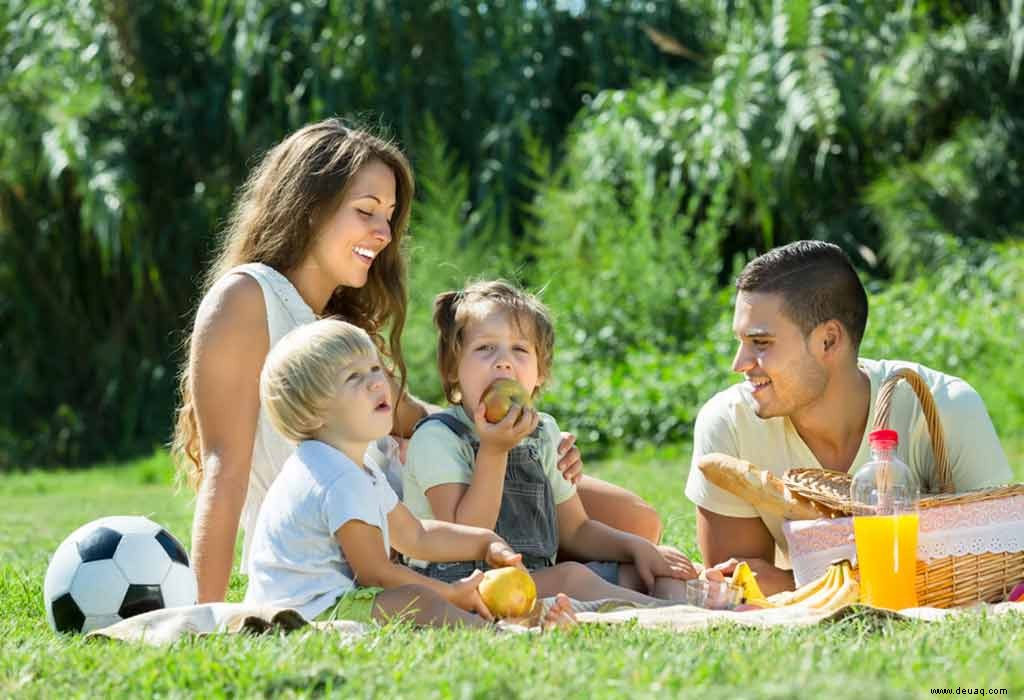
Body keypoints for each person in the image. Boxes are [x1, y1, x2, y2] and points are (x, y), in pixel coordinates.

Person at [171, 118, 661, 603]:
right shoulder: (248, 297)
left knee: (638, 521)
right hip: (373, 545)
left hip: (416, 514)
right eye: (366, 211)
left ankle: (588, 580)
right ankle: (581, 583)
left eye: (388, 215)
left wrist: (523, 433)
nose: (383, 232)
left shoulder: (343, 326)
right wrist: (203, 615)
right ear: (308, 209)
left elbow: (417, 416)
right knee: (603, 553)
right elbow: (225, 467)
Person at [684, 240, 1012, 594]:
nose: (739, 363)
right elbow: (740, 587)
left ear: (828, 341)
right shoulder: (729, 425)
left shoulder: (944, 407)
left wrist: (802, 582)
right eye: (741, 341)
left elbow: (1001, 567)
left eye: (760, 343)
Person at [242, 318, 575, 628]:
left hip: (330, 601)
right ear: (312, 413)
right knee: (418, 599)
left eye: (375, 368)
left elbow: (415, 535)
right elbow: (377, 574)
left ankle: (518, 620)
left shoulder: (356, 467)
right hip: (308, 611)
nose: (376, 381)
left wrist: (484, 543)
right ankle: (500, 633)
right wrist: (450, 593)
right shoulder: (335, 478)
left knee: (422, 599)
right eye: (354, 377)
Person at [403, 280, 697, 604]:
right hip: (459, 585)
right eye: (485, 348)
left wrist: (637, 547)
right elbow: (464, 537)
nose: (503, 361)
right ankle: (663, 613)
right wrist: (493, 450)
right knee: (571, 576)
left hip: (531, 578)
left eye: (520, 349)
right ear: (452, 369)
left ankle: (679, 603)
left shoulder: (543, 433)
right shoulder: (438, 437)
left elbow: (575, 531)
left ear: (540, 372)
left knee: (651, 570)